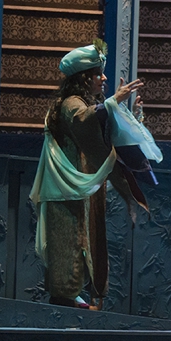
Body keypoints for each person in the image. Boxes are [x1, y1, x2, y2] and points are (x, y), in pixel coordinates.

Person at [29, 40, 160, 310]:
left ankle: (80, 294)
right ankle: (65, 296)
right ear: (83, 78)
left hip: (84, 190)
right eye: (98, 74)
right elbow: (85, 119)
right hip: (65, 191)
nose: (104, 78)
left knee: (88, 240)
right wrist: (114, 102)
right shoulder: (70, 104)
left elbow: (109, 131)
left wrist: (132, 115)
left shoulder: (88, 102)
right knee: (70, 241)